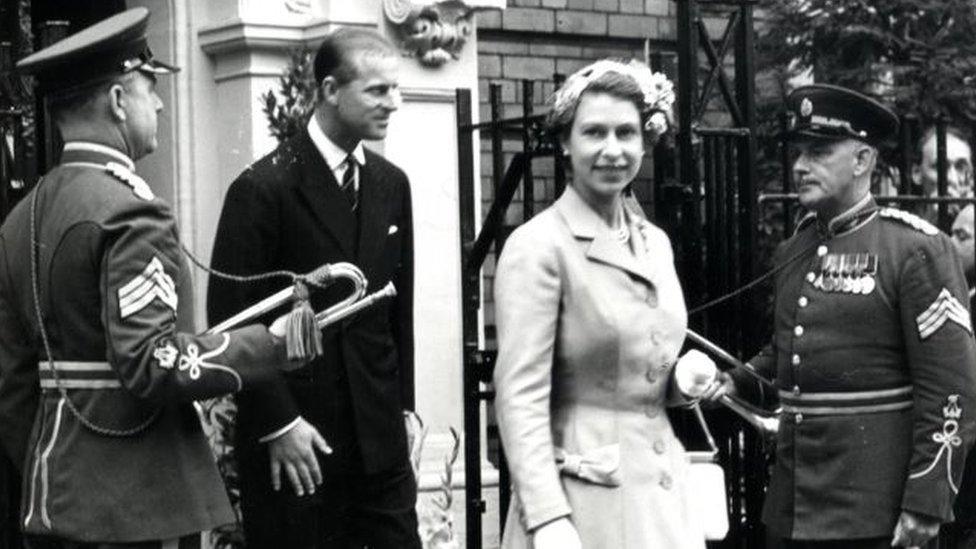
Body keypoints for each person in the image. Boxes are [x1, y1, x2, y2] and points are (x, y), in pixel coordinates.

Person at [0, 8, 301, 548]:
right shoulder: (131, 212)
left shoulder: (21, 218)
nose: (160, 101)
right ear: (118, 102)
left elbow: (14, 385)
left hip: (56, 496)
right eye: (149, 86)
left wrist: (61, 470)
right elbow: (153, 362)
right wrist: (270, 345)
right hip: (140, 501)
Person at [704, 84, 976, 548]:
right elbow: (789, 352)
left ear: (863, 161)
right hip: (793, 507)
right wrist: (735, 382)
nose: (799, 166)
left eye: (819, 151)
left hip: (874, 513)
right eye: (799, 152)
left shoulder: (914, 250)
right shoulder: (797, 247)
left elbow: (950, 389)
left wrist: (926, 502)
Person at [207, 27, 418, 548]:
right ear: (328, 90)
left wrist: (403, 410)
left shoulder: (392, 184)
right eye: (377, 90)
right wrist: (279, 424)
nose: (393, 103)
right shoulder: (262, 188)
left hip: (379, 445)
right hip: (298, 447)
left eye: (395, 89)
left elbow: (398, 313)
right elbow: (232, 325)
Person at [492, 59, 715, 549]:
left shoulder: (655, 242)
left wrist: (677, 381)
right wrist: (547, 517)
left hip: (658, 498)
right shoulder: (539, 246)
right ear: (565, 144)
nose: (612, 150)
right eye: (594, 133)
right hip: (582, 501)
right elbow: (519, 395)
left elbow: (633, 372)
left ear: (644, 141)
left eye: (626, 133)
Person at [913, 125, 973, 224]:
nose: (952, 178)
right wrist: (930, 221)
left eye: (961, 167)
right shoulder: (899, 224)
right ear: (917, 173)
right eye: (939, 167)